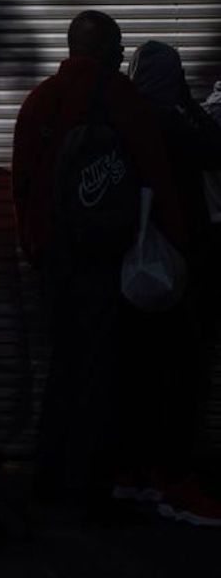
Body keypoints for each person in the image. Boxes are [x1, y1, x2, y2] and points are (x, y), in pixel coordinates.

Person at [11, 11, 185, 509]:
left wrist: (35, 245)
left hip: (56, 259)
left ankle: (49, 482)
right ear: (105, 47)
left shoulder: (40, 100)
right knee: (103, 375)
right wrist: (176, 246)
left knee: (64, 369)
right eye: (118, 42)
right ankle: (87, 490)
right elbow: (156, 174)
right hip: (107, 258)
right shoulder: (123, 99)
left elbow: (23, 182)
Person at [124, 41, 221, 526]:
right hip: (179, 265)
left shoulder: (126, 117)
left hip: (137, 269)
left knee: (146, 374)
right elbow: (214, 148)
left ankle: (144, 473)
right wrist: (187, 103)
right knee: (181, 375)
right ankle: (174, 481)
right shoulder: (174, 121)